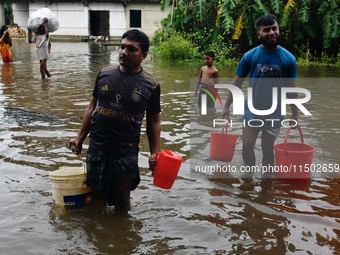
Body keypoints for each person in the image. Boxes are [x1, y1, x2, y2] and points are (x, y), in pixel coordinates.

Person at [68, 29, 161, 211]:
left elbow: (154, 121)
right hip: (97, 145)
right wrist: (80, 138)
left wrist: (154, 153)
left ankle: (122, 235)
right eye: (122, 47)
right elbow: (91, 107)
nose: (124, 52)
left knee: (122, 202)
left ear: (143, 55)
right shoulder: (104, 74)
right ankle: (100, 235)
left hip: (125, 150)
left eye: (131, 49)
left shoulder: (151, 85)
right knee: (96, 198)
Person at [222, 14, 298, 167]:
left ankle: (266, 184)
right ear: (258, 34)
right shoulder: (250, 56)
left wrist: (295, 113)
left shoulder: (288, 58)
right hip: (252, 110)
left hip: (275, 112)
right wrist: (226, 105)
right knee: (247, 146)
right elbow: (237, 82)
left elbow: (291, 89)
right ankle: (248, 178)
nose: (272, 33)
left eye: (274, 28)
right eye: (266, 30)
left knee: (267, 150)